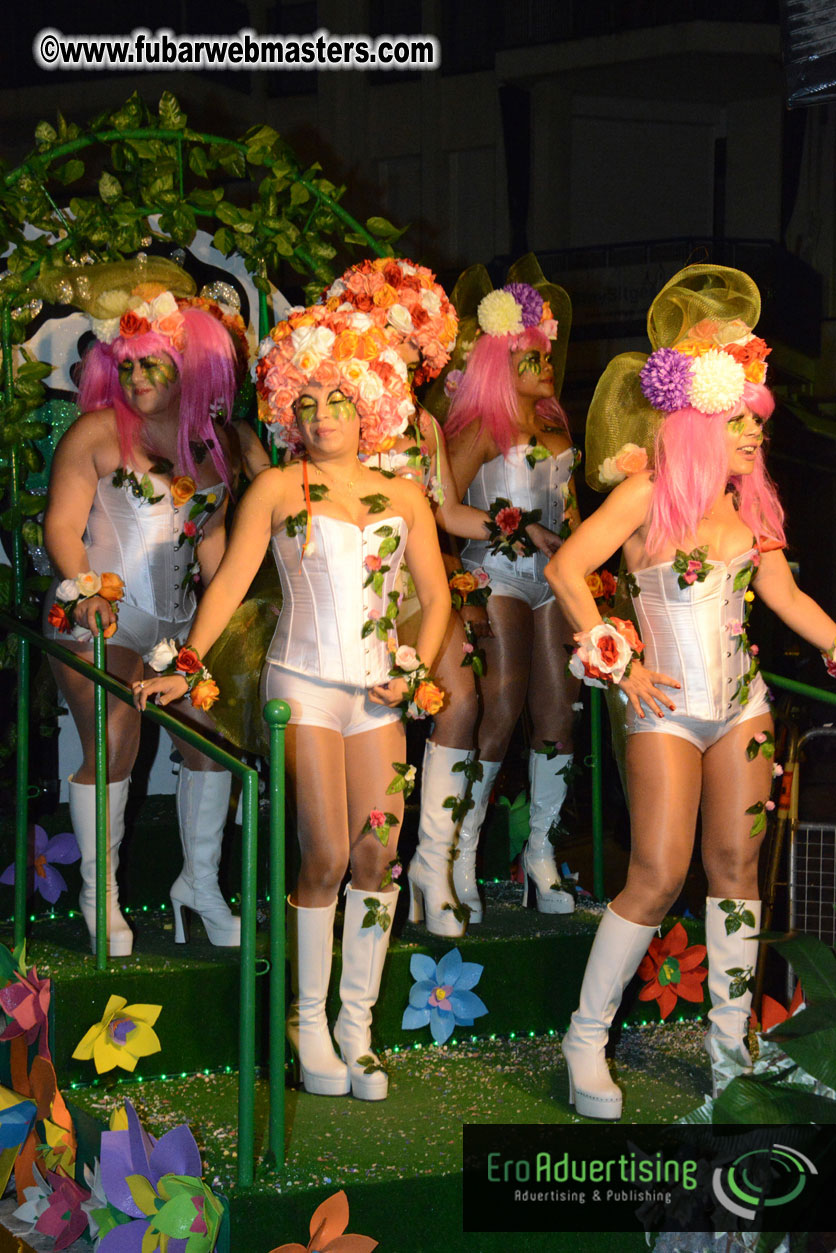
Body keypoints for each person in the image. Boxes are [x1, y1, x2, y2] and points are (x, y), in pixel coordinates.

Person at [134, 303, 451, 1100]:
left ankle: (356, 1026)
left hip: (378, 691)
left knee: (378, 853)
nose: (321, 415)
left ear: (369, 401)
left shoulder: (406, 496)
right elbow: (230, 582)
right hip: (302, 684)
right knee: (327, 852)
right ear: (287, 412)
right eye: (305, 403)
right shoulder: (277, 487)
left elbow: (438, 598)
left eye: (337, 398)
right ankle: (307, 1021)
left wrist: (415, 669)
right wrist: (188, 664)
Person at [547, 264, 836, 1117]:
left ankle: (729, 1054)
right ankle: (585, 1038)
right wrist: (618, 660)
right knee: (657, 872)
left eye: (758, 420)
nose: (755, 433)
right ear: (703, 420)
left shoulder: (753, 507)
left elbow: (788, 602)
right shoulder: (648, 492)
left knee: (738, 871)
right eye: (742, 419)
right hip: (665, 709)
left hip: (742, 706)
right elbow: (567, 568)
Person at [42, 257, 250, 957]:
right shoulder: (95, 433)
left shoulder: (214, 443)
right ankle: (98, 896)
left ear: (187, 367)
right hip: (99, 615)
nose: (135, 380)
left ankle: (198, 887)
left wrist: (224, 627)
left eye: (152, 366)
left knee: (211, 741)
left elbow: (213, 539)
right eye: (127, 366)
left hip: (178, 626)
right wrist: (84, 591)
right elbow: (60, 526)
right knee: (113, 736)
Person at [324, 257, 495, 936]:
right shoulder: (334, 415)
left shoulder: (423, 424)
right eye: (390, 342)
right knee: (367, 725)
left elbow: (446, 510)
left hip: (413, 588)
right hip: (347, 594)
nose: (403, 358)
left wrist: (517, 528)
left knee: (463, 697)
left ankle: (431, 861)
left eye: (413, 349)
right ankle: (357, 873)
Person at [444, 279, 582, 917]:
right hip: (494, 573)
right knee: (498, 711)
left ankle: (540, 852)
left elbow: (573, 519)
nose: (545, 365)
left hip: (554, 581)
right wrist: (464, 586)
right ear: (501, 365)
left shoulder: (555, 431)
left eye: (545, 355)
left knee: (559, 717)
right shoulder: (479, 428)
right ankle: (459, 850)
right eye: (532, 358)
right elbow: (440, 510)